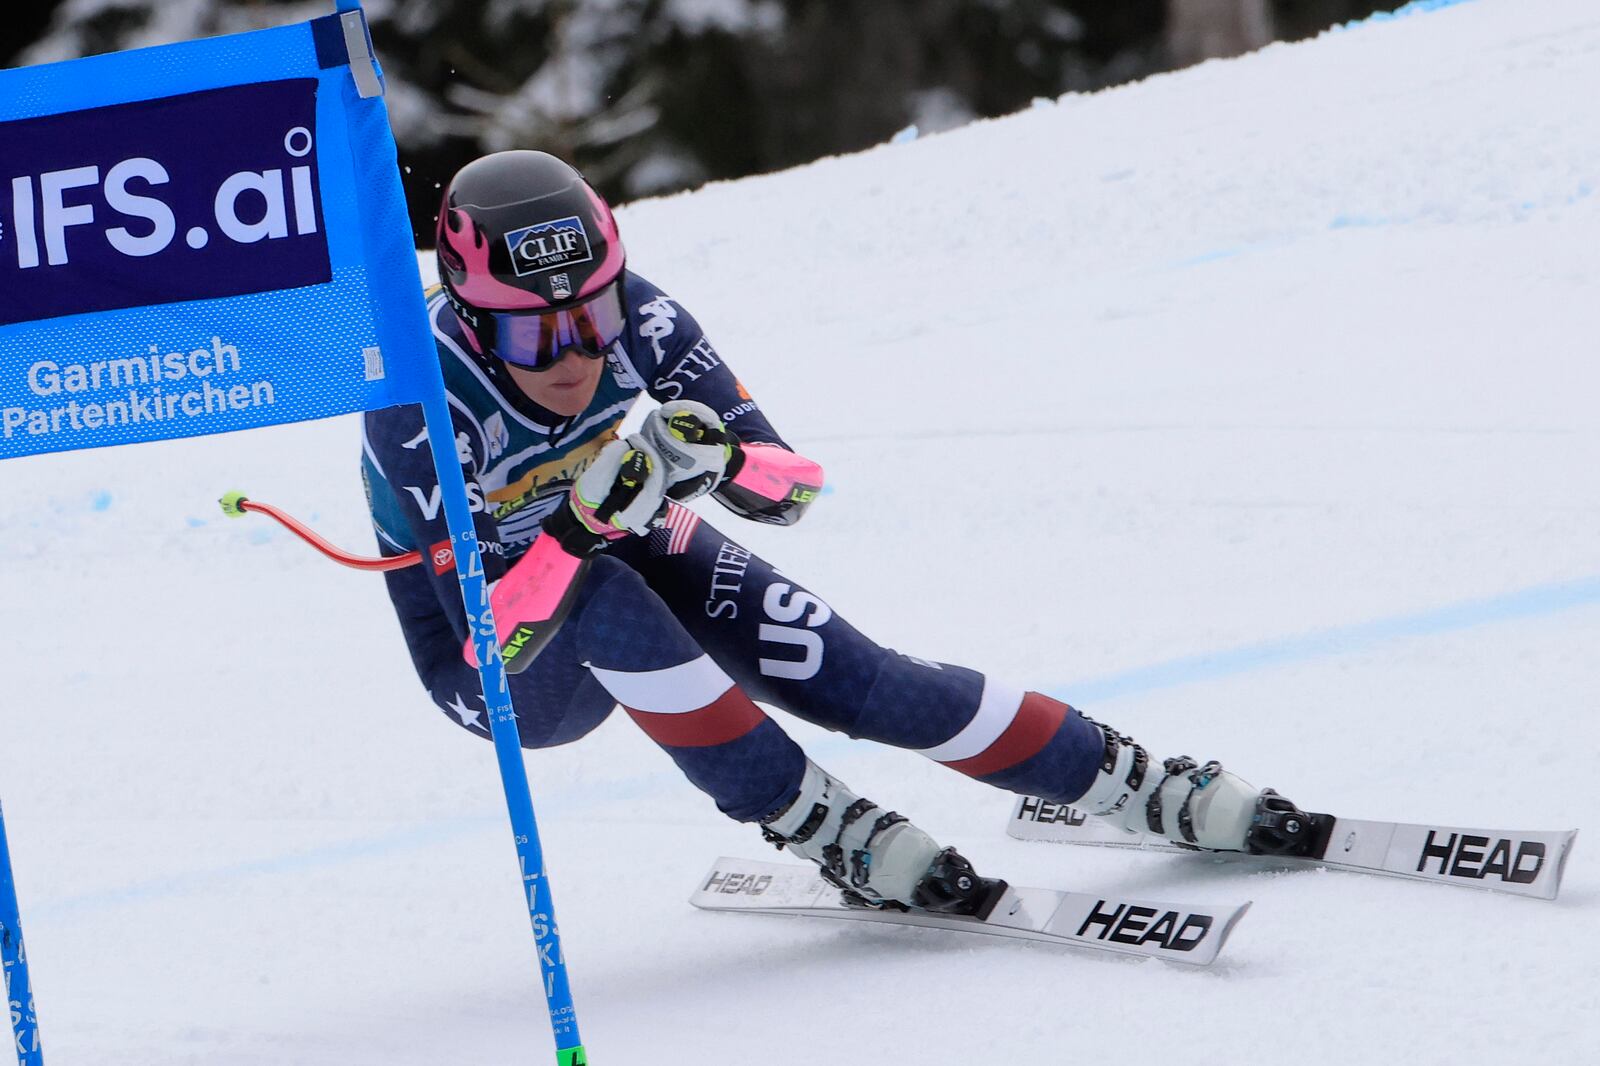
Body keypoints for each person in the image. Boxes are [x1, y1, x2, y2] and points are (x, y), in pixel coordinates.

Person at [361, 150, 1316, 914]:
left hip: (613, 525)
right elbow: (502, 633)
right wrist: (575, 528)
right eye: (535, 335)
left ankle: (1132, 781)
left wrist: (721, 462)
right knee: (607, 595)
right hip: (497, 656)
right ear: (477, 319)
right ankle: (826, 824)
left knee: (856, 675)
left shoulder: (635, 314)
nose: (574, 353)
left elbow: (793, 483)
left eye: (591, 315)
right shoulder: (422, 400)